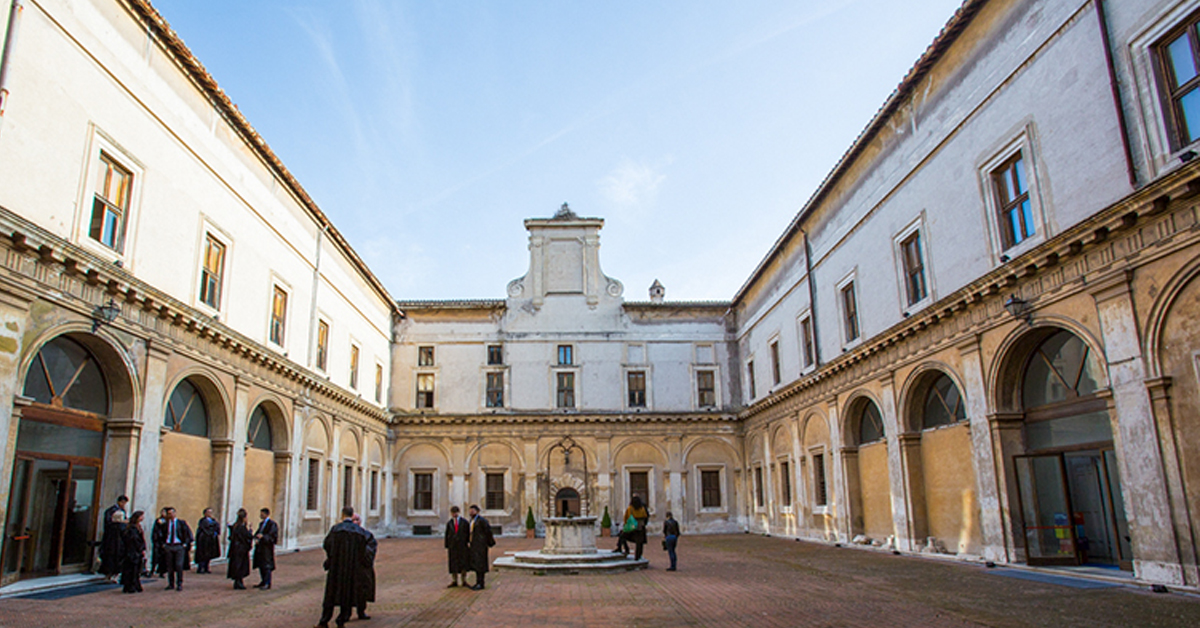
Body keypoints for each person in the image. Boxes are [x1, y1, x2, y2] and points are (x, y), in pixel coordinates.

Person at [316, 507, 369, 628]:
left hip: (336, 568)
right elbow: (363, 550)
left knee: (330, 594)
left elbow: (327, 544)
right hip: (352, 569)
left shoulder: (336, 529)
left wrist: (332, 557)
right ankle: (341, 620)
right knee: (348, 595)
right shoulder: (359, 531)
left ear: (342, 515)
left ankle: (324, 620)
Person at [158, 507, 193, 591]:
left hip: (179, 546)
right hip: (169, 545)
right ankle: (171, 583)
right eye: (169, 514)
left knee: (179, 565)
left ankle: (179, 583)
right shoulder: (165, 524)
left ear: (175, 513)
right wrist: (163, 544)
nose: (171, 515)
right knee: (170, 566)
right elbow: (160, 534)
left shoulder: (181, 523)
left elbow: (188, 533)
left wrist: (185, 544)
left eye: (172, 513)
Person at [351, 514, 377, 620]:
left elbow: (371, 548)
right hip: (351, 568)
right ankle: (346, 612)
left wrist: (364, 558)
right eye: (353, 520)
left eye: (357, 520)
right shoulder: (346, 535)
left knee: (363, 590)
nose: (356, 522)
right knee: (349, 590)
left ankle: (361, 611)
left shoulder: (366, 534)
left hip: (362, 568)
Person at [99, 495, 129, 582]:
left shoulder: (122, 511)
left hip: (118, 538)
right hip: (111, 538)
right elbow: (108, 523)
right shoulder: (111, 511)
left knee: (117, 556)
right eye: (123, 502)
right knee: (110, 556)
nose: (123, 504)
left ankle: (114, 574)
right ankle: (109, 574)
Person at [466, 504, 495, 590]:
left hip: (480, 545)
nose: (471, 512)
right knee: (476, 564)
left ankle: (481, 583)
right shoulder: (472, 521)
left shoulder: (481, 521)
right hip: (474, 545)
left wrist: (488, 542)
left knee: (480, 564)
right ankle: (478, 582)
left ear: (477, 511)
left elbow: (488, 531)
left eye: (473, 511)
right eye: (470, 511)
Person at [120, 510, 146, 594]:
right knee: (132, 569)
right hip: (132, 552)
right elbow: (134, 540)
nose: (143, 518)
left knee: (134, 569)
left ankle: (134, 585)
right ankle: (131, 585)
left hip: (134, 551)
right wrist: (140, 548)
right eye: (141, 516)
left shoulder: (136, 527)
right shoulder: (132, 528)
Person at [227, 508, 253, 590]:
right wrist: (250, 531)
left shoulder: (236, 526)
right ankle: (239, 582)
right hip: (241, 549)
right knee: (240, 566)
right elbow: (246, 537)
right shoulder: (241, 527)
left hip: (235, 548)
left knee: (237, 565)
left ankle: (238, 581)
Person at [444, 505, 470, 587]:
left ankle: (464, 580)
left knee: (463, 563)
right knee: (453, 563)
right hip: (453, 547)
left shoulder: (464, 522)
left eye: (455, 513)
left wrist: (467, 542)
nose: (454, 514)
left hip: (462, 546)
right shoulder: (450, 523)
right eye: (453, 513)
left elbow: (468, 533)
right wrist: (447, 544)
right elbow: (447, 534)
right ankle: (454, 580)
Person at [253, 507, 278, 589]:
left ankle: (267, 582)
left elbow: (272, 536)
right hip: (260, 548)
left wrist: (263, 537)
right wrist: (256, 537)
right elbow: (257, 533)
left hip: (267, 549)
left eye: (262, 514)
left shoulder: (272, 524)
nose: (261, 515)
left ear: (267, 514)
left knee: (266, 565)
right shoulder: (261, 524)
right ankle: (263, 581)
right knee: (261, 565)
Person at [620, 496, 650, 560]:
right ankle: (638, 556)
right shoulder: (642, 508)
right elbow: (645, 516)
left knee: (622, 536)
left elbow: (626, 517)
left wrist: (626, 525)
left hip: (631, 526)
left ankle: (626, 549)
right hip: (640, 527)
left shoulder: (630, 508)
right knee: (639, 543)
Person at [194, 508, 221, 574]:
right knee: (202, 555)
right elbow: (203, 529)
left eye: (211, 512)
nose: (210, 514)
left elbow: (217, 528)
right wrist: (210, 532)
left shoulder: (213, 520)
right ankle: (200, 568)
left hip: (211, 540)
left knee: (209, 555)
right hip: (204, 540)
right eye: (208, 512)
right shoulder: (202, 521)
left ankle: (206, 567)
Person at [150, 508, 168, 578]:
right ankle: (152, 570)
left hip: (164, 541)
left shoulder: (168, 522)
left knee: (163, 558)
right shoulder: (158, 521)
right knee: (155, 556)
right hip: (158, 541)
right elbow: (155, 531)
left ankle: (161, 571)